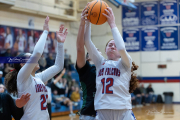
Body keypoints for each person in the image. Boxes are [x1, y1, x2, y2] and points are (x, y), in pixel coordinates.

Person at [4, 16, 68, 120]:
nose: (35, 59)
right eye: (30, 57)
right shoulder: (22, 77)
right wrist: (45, 32)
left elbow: (58, 66)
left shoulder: (38, 77)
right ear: (22, 64)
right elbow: (38, 52)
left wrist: (60, 44)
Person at [84, 6, 139, 120]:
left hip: (122, 109)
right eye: (110, 45)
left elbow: (122, 47)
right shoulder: (100, 63)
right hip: (102, 108)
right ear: (105, 50)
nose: (113, 46)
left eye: (115, 45)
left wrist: (112, 24)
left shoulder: (125, 63)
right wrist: (88, 21)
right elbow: (87, 41)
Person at [75, 6, 97, 120]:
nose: (97, 53)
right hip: (89, 114)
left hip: (107, 114)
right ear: (88, 58)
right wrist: (83, 23)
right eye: (94, 51)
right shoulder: (86, 68)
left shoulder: (106, 67)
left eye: (98, 51)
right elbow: (80, 48)